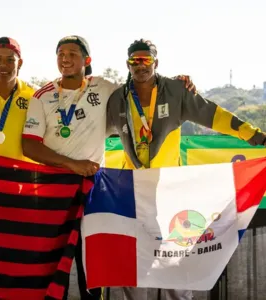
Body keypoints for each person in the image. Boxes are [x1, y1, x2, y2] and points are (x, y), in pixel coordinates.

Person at [21, 35, 196, 300]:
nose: (65, 59)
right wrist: (72, 164)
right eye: (60, 53)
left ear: (86, 60)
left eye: (72, 54)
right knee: (49, 262)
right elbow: (30, 146)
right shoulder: (41, 96)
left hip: (93, 190)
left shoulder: (105, 88)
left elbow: (142, 85)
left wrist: (177, 82)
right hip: (52, 191)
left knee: (92, 262)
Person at [106, 38, 266, 300]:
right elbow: (89, 131)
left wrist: (256, 136)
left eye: (146, 59)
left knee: (174, 263)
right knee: (133, 263)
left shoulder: (175, 91)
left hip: (169, 193)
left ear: (156, 63)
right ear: (128, 64)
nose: (140, 65)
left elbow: (214, 115)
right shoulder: (117, 99)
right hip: (132, 193)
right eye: (135, 60)